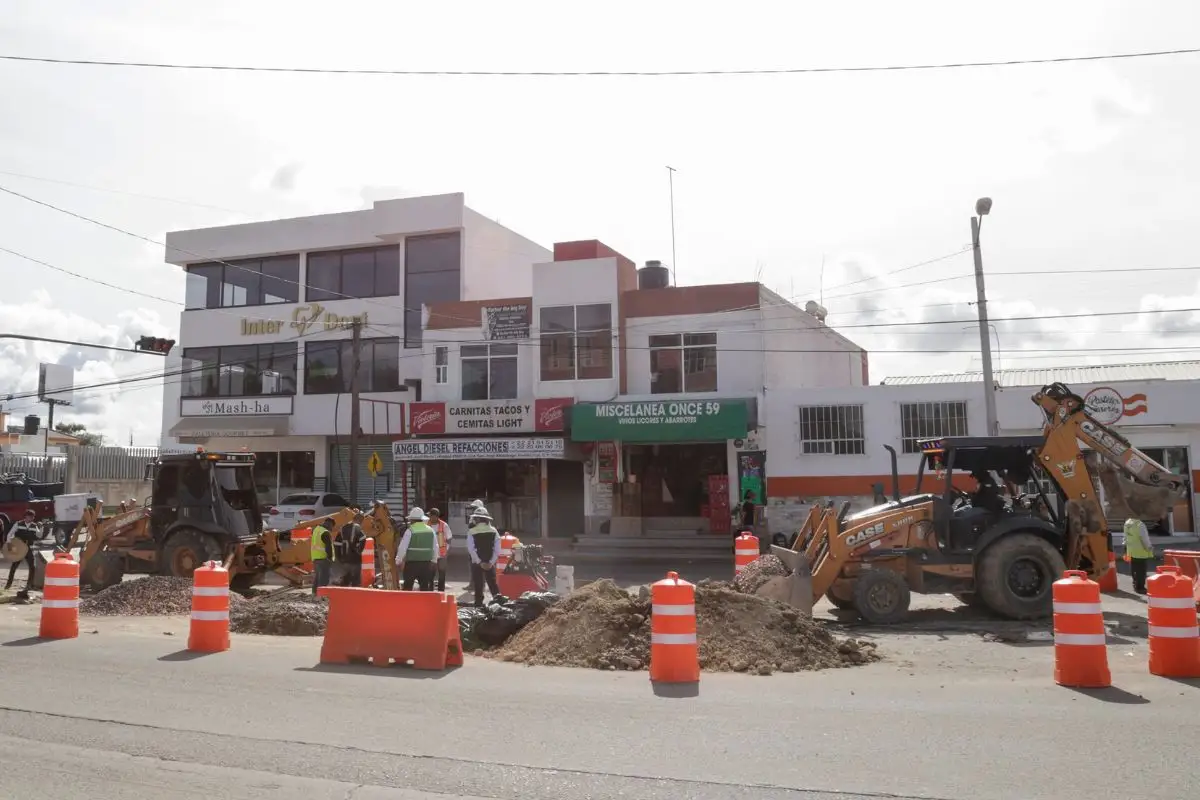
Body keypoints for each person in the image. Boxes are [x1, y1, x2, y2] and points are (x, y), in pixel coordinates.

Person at [394, 506, 438, 591]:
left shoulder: (410, 530)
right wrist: (434, 561)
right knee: (425, 589)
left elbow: (402, 547)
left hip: (411, 565)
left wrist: (398, 561)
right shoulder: (430, 530)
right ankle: (424, 604)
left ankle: (408, 604)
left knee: (408, 588)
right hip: (426, 564)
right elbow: (435, 547)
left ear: (412, 520)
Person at [466, 507, 501, 607]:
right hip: (490, 562)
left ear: (476, 519)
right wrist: (491, 562)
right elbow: (497, 549)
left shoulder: (471, 531)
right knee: (493, 584)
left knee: (478, 585)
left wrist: (479, 562)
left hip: (477, 563)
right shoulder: (494, 531)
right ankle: (498, 604)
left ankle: (478, 605)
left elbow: (471, 549)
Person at [4, 510, 40, 599]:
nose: (31, 518)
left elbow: (39, 535)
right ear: (26, 516)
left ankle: (29, 585)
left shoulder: (34, 526)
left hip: (28, 548)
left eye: (33, 517)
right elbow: (10, 534)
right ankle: (8, 584)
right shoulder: (18, 524)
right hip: (20, 548)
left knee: (32, 566)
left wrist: (41, 527)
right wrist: (9, 544)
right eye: (30, 517)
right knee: (14, 566)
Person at [1123, 516, 1155, 594]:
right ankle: (1140, 587)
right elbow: (1144, 538)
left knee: (1133, 569)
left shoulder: (1127, 523)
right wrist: (1149, 547)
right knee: (1141, 570)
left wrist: (1125, 547)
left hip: (1130, 550)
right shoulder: (1140, 525)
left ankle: (1135, 584)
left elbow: (1125, 536)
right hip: (1140, 551)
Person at [428, 508, 452, 592]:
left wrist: (446, 550)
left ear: (436, 516)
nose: (430, 517)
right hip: (430, 554)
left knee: (442, 575)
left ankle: (441, 592)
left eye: (431, 516)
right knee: (430, 575)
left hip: (442, 554)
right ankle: (430, 593)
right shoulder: (426, 524)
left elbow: (449, 539)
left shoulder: (444, 525)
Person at [310, 518, 334, 596]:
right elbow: (328, 547)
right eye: (332, 526)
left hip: (315, 558)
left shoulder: (316, 529)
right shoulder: (325, 533)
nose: (331, 529)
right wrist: (330, 558)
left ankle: (314, 594)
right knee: (324, 579)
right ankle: (322, 596)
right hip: (324, 558)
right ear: (330, 524)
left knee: (317, 578)